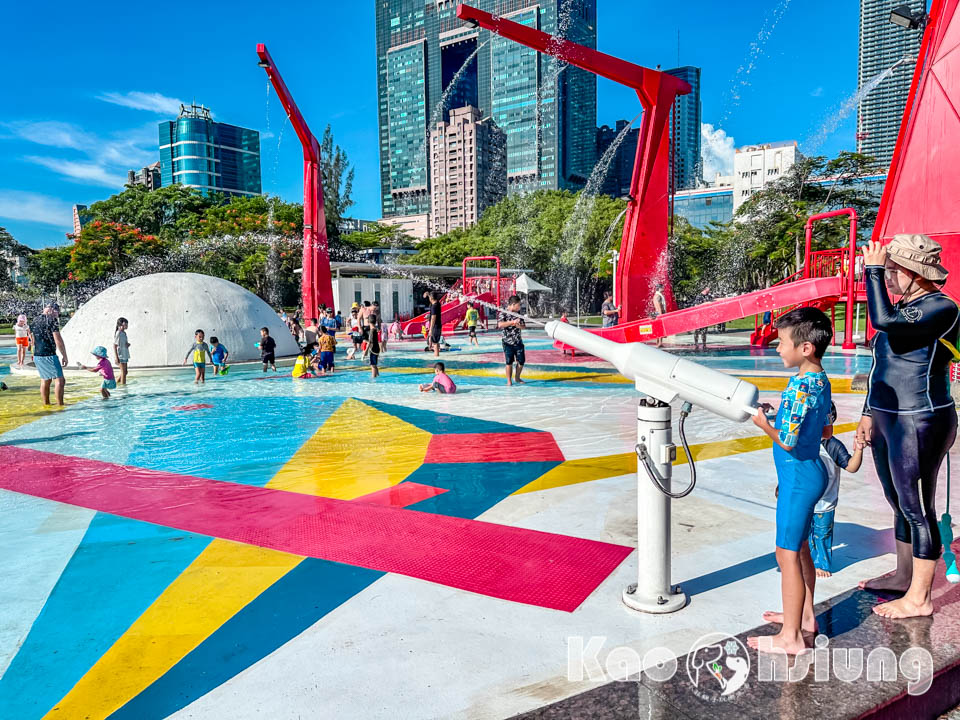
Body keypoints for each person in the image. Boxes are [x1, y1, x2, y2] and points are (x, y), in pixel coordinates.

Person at [855, 235, 959, 619]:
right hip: (887, 418)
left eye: (894, 271)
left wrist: (873, 270)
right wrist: (868, 413)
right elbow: (880, 366)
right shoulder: (905, 306)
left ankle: (920, 598)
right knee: (898, 502)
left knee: (917, 507)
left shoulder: (941, 308)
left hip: (920, 419)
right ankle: (903, 577)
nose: (889, 280)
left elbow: (884, 321)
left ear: (915, 272)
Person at [748, 306, 834, 655]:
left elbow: (787, 440)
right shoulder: (820, 380)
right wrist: (780, 413)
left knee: (785, 554)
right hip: (808, 472)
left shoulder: (800, 385)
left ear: (806, 348)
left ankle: (791, 638)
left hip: (799, 475)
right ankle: (805, 616)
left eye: (782, 342)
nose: (778, 348)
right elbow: (825, 427)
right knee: (799, 551)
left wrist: (763, 423)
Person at [802, 402, 864, 578]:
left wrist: (858, 450)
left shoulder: (832, 445)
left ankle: (821, 564)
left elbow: (851, 466)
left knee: (821, 535)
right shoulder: (800, 442)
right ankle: (802, 560)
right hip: (802, 501)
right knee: (802, 533)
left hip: (824, 502)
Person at [29, 302, 68, 406]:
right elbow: (58, 339)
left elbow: (32, 339)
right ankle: (60, 405)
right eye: (57, 312)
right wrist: (64, 355)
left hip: (37, 355)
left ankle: (46, 404)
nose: (57, 315)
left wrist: (33, 352)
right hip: (49, 355)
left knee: (45, 379)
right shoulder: (51, 320)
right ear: (51, 309)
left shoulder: (35, 320)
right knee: (60, 379)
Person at [498, 295, 526, 386]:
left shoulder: (519, 314)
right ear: (513, 304)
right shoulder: (503, 313)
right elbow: (500, 325)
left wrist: (519, 326)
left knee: (521, 361)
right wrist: (512, 322)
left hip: (518, 341)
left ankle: (517, 377)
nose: (520, 307)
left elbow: (524, 326)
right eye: (518, 305)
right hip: (507, 342)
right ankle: (509, 381)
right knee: (509, 362)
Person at [112, 317, 131, 385]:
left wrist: (127, 344)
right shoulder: (118, 333)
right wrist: (116, 357)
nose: (127, 325)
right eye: (125, 324)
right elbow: (114, 345)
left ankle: (115, 382)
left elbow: (123, 343)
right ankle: (124, 388)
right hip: (120, 355)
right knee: (123, 372)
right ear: (121, 324)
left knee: (125, 372)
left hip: (125, 354)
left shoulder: (124, 333)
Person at [363, 314, 381, 378]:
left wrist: (366, 351)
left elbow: (370, 342)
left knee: (373, 365)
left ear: (368, 321)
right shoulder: (375, 329)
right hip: (376, 348)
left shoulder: (371, 331)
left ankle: (373, 378)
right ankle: (378, 376)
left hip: (373, 349)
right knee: (374, 363)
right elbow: (372, 340)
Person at [428, 291, 444, 358]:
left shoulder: (434, 306)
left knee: (435, 342)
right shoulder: (438, 304)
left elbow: (433, 317)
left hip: (435, 326)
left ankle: (436, 356)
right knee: (436, 341)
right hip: (438, 325)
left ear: (431, 298)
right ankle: (436, 355)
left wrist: (431, 329)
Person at [652, 283, 667, 348]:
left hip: (658, 313)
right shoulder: (658, 296)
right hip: (659, 314)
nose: (663, 288)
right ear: (659, 288)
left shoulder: (658, 295)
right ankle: (659, 343)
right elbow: (659, 307)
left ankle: (659, 342)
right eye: (662, 287)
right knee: (660, 328)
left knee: (659, 328)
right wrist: (661, 315)